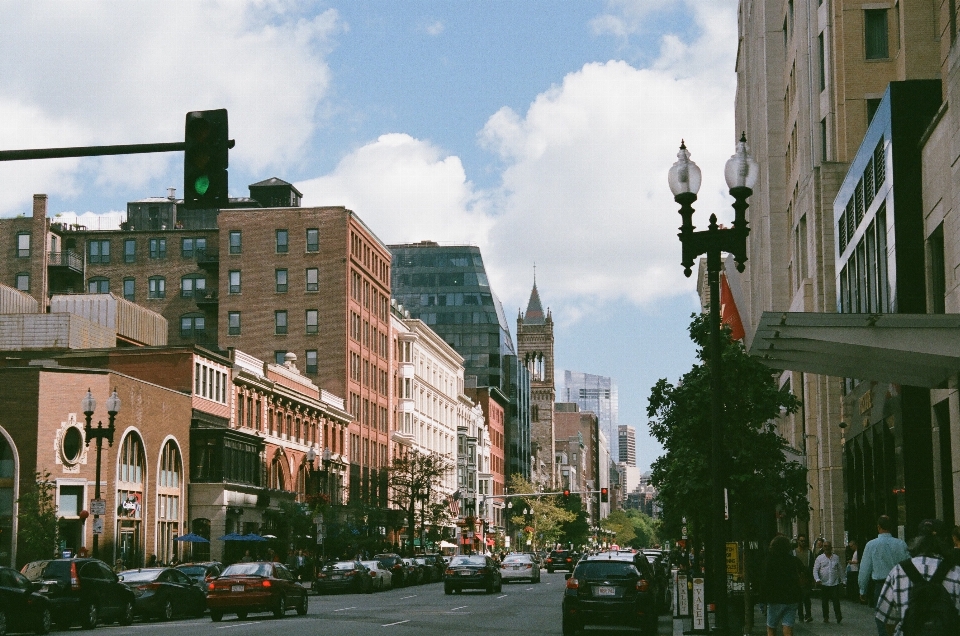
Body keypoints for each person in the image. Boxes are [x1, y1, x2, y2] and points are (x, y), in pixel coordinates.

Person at [875, 519, 960, 635]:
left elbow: (887, 618)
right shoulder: (955, 572)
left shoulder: (899, 571)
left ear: (917, 539)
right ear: (945, 540)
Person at [860, 515, 911, 636]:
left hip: (881, 586)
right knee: (900, 620)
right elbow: (909, 565)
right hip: (900, 585)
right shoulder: (901, 544)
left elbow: (865, 569)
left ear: (878, 527)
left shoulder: (871, 545)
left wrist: (863, 589)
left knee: (882, 621)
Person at [761, 534, 805, 636]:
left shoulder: (769, 561)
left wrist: (763, 598)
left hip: (775, 598)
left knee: (771, 627)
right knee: (788, 627)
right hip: (792, 598)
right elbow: (804, 573)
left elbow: (765, 580)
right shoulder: (793, 560)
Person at [813, 541, 843, 623]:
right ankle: (826, 617)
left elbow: (840, 569)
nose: (826, 548)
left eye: (828, 546)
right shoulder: (819, 558)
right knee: (824, 601)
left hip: (834, 583)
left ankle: (838, 615)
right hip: (824, 583)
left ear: (831, 547)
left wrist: (843, 580)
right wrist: (817, 579)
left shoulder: (836, 557)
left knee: (836, 600)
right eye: (825, 546)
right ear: (823, 547)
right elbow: (815, 570)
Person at [792, 534, 815, 622]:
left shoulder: (809, 553)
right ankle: (801, 615)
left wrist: (812, 578)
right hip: (797, 578)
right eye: (801, 540)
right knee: (799, 598)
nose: (803, 542)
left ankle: (808, 615)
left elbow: (812, 565)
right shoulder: (794, 552)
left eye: (804, 541)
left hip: (807, 578)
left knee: (807, 596)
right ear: (798, 541)